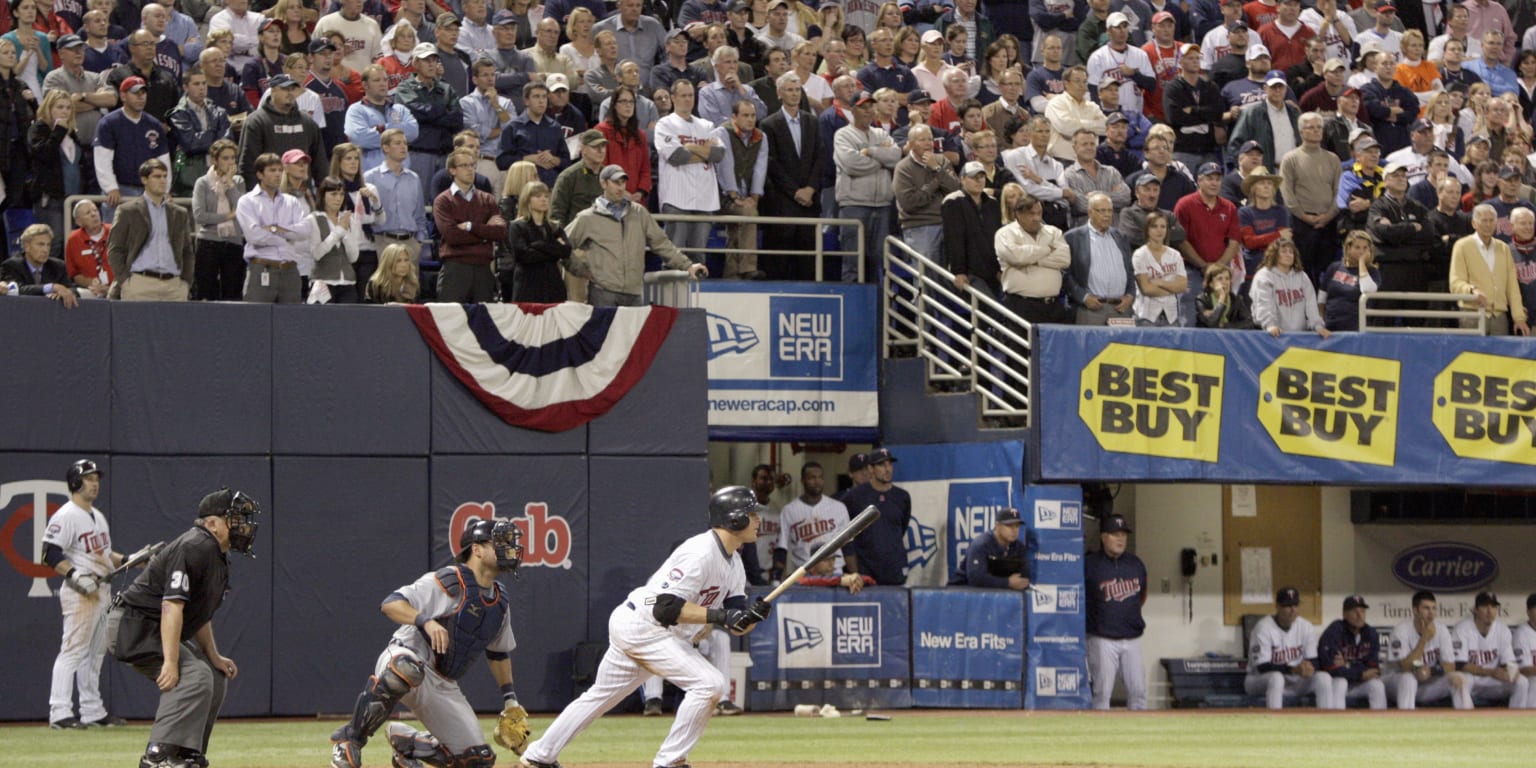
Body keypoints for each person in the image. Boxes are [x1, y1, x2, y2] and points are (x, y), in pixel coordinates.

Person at [518, 487, 771, 768]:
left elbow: (736, 623)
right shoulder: (700, 552)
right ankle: (670, 761)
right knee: (709, 684)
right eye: (752, 513)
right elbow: (665, 607)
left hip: (652, 631)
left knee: (599, 697)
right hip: (645, 626)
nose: (758, 519)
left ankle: (539, 755)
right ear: (735, 519)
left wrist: (751, 617)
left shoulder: (735, 563)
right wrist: (723, 617)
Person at [329, 518, 524, 768]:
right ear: (476, 549)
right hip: (406, 656)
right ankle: (350, 741)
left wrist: (510, 699)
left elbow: (498, 653)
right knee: (405, 671)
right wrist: (424, 621)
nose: (508, 549)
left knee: (478, 760)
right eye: (499, 543)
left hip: (443, 683)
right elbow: (390, 603)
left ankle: (411, 745)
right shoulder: (448, 581)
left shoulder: (500, 603)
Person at [108, 488, 260, 768]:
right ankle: (159, 755)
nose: (244, 526)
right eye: (235, 519)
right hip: (134, 626)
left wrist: (213, 654)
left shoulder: (215, 554)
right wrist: (170, 660)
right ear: (212, 523)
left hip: (154, 626)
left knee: (213, 674)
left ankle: (186, 751)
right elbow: (171, 606)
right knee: (194, 675)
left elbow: (199, 614)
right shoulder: (195, 546)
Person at [43, 459, 129, 729]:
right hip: (81, 592)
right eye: (89, 478)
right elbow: (49, 552)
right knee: (73, 651)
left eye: (96, 479)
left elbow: (104, 556)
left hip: (102, 590)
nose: (94, 483)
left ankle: (92, 711)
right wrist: (73, 575)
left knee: (95, 655)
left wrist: (130, 558)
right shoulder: (66, 514)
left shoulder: (97, 516)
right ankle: (60, 712)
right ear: (75, 482)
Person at [564, 164, 707, 307]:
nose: (620, 187)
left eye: (623, 183)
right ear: (603, 183)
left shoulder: (639, 213)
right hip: (603, 293)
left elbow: (661, 243)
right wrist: (580, 270)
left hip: (634, 293)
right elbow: (561, 246)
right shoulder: (587, 218)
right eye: (615, 183)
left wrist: (688, 266)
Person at [102, 159, 193, 302]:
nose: (163, 180)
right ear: (144, 179)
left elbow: (187, 250)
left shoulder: (180, 213)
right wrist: (125, 282)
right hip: (140, 284)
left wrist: (185, 282)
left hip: (174, 286)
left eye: (165, 176)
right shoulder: (128, 211)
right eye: (157, 176)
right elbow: (115, 249)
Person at [1082, 513, 1147, 710]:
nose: (1120, 539)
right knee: (1102, 695)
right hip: (1102, 639)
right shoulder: (1090, 564)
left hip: (1132, 638)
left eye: (1123, 535)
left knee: (1139, 694)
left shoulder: (1135, 564)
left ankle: (1139, 737)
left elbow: (1142, 596)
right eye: (1115, 534)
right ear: (1103, 537)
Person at [773, 462, 863, 593]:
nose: (817, 482)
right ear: (803, 480)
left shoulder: (838, 507)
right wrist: (776, 578)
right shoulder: (789, 510)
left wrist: (855, 574)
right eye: (812, 478)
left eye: (820, 477)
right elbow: (781, 548)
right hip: (803, 577)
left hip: (836, 575)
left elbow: (848, 546)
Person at [236, 151, 312, 302]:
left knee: (292, 321)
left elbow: (304, 231)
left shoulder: (292, 202)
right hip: (261, 267)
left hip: (290, 270)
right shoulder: (247, 201)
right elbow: (254, 236)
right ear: (259, 174)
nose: (278, 174)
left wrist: (274, 228)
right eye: (272, 170)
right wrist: (287, 235)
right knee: (257, 320)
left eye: (280, 170)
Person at [433, 149, 507, 302]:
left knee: (484, 322)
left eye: (472, 165)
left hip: (483, 269)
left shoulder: (488, 199)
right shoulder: (443, 200)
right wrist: (485, 234)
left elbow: (499, 232)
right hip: (455, 268)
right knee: (450, 320)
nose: (470, 169)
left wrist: (470, 226)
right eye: (464, 165)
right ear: (452, 170)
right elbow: (452, 236)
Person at [1245, 586, 1332, 709]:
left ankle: (1327, 722)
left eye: (1296, 605)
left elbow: (1313, 660)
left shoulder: (1305, 626)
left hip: (1294, 680)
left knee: (1324, 678)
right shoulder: (1263, 628)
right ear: (1277, 606)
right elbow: (1262, 667)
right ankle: (1274, 723)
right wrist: (1294, 670)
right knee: (1276, 678)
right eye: (1288, 606)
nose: (1293, 610)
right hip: (1258, 680)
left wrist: (1309, 667)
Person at [1451, 202, 1531, 335]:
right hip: (1472, 314)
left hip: (1499, 317)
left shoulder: (1503, 248)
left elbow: (1512, 286)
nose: (1488, 225)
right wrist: (1472, 291)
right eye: (1484, 221)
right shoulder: (1462, 246)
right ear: (1474, 223)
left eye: (1491, 221)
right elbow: (1455, 282)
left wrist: (1519, 318)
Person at [237, 72, 327, 185]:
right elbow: (248, 164)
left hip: (301, 192)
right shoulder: (256, 121)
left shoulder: (307, 122)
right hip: (268, 192)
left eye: (292, 89)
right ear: (273, 90)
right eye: (285, 89)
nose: (290, 93)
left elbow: (320, 162)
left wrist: (323, 191)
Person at [713, 99, 769, 280]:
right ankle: (748, 267)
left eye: (753, 115)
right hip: (720, 195)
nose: (750, 120)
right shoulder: (722, 132)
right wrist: (734, 195)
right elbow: (724, 164)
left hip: (745, 195)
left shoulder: (760, 137)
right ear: (734, 117)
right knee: (748, 214)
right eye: (745, 115)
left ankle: (732, 275)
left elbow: (760, 168)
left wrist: (754, 196)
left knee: (740, 225)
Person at [839, 448, 910, 587]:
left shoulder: (902, 496)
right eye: (881, 465)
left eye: (889, 464)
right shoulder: (854, 496)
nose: (887, 469)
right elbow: (846, 535)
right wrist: (854, 571)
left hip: (894, 569)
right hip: (866, 570)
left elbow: (901, 528)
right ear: (871, 468)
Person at [1387, 589, 1469, 709]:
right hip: (1396, 683)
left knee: (1458, 678)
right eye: (1426, 608)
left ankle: (1466, 720)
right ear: (1415, 610)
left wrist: (1432, 671)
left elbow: (1450, 665)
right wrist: (1424, 639)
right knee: (1408, 679)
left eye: (1434, 608)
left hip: (1427, 681)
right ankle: (1406, 721)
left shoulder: (1441, 630)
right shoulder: (1401, 631)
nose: (1431, 613)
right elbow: (1404, 666)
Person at [191, 138, 248, 301]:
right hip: (209, 242)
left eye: (233, 158)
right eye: (225, 158)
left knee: (232, 292)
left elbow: (241, 208)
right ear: (214, 160)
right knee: (205, 291)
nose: (230, 162)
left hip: (233, 242)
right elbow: (200, 216)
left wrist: (230, 183)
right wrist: (226, 216)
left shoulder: (238, 182)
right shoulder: (202, 183)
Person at [1453, 591, 1527, 709]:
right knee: (1461, 679)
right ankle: (1466, 719)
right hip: (1473, 678)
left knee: (1522, 682)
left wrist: (1512, 673)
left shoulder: (1502, 630)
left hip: (1493, 680)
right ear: (1476, 610)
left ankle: (1516, 720)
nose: (1489, 610)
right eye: (1484, 606)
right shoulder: (1462, 629)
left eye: (1493, 606)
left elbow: (1509, 662)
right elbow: (1460, 665)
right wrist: (1491, 672)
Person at [1316, 594, 1386, 710]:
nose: (1360, 616)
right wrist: (1360, 673)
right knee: (1340, 682)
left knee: (1376, 685)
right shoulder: (1335, 631)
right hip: (1335, 683)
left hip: (1357, 684)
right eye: (1355, 611)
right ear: (1344, 614)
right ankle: (1337, 724)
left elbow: (1373, 670)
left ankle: (1381, 725)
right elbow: (1331, 669)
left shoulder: (1370, 633)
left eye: (1363, 611)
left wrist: (1347, 664)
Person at [1251, 238, 1330, 337]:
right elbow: (1263, 304)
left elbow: (1311, 305)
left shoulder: (1302, 276)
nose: (1288, 255)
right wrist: (1270, 325)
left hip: (1299, 335)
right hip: (1272, 335)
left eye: (1291, 252)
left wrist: (1317, 326)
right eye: (1284, 251)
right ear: (1274, 254)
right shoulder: (1264, 276)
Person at [507, 180, 572, 302]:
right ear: (527, 200)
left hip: (553, 285)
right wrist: (553, 249)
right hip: (528, 286)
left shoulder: (554, 227)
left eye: (546, 196)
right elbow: (523, 256)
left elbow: (566, 251)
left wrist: (539, 245)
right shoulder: (517, 226)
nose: (544, 199)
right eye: (538, 196)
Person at [305, 175, 363, 303]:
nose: (338, 198)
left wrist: (345, 233)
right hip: (323, 282)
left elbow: (353, 257)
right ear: (323, 195)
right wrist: (338, 231)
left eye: (341, 194)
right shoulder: (314, 219)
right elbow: (317, 253)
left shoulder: (348, 219)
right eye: (334, 194)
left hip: (348, 283)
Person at [947, 506, 1028, 589]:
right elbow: (976, 579)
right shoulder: (981, 544)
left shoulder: (1018, 547)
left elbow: (1023, 576)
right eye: (1009, 526)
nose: (1014, 530)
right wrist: (1007, 582)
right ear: (997, 526)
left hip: (997, 594)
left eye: (1017, 526)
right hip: (961, 591)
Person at [1130, 210, 1187, 325]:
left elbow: (1182, 286)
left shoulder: (1175, 255)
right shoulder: (1140, 255)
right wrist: (1172, 289)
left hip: (1171, 316)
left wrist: (1160, 282)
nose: (1159, 230)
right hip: (1146, 316)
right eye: (1154, 226)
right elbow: (1147, 289)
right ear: (1147, 229)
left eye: (1163, 226)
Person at [1317, 230, 1381, 332]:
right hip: (1330, 327)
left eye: (1365, 248)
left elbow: (1368, 290)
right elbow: (1322, 297)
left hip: (1356, 328)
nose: (1362, 251)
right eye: (1357, 247)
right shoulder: (1334, 267)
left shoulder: (1373, 271)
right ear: (1348, 248)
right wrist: (1320, 321)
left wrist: (1361, 263)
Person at [64, 201, 113, 298]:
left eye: (95, 210)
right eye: (88, 213)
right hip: (91, 290)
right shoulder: (73, 239)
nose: (94, 214)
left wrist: (111, 288)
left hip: (119, 288)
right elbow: (74, 274)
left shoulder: (115, 231)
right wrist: (90, 283)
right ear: (78, 222)